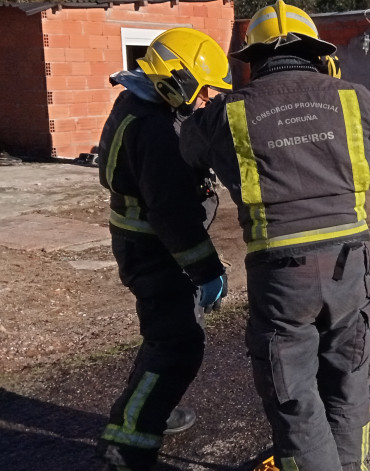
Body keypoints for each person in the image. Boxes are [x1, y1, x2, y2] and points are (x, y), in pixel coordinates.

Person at [179, 2, 370, 470]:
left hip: (281, 278)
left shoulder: (229, 111)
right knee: (347, 385)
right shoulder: (353, 97)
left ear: (253, 60)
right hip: (352, 268)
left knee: (295, 400)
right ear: (318, 55)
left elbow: (187, 152)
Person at [95, 27, 231, 471]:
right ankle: (127, 444)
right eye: (206, 87)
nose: (209, 97)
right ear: (178, 79)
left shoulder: (138, 102)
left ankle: (153, 404)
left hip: (143, 247)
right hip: (158, 252)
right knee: (177, 344)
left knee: (162, 336)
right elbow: (172, 213)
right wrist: (206, 269)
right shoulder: (155, 129)